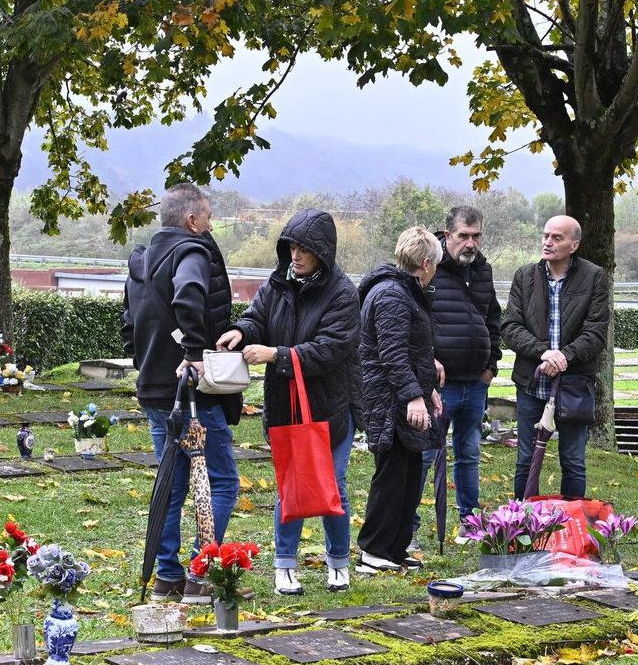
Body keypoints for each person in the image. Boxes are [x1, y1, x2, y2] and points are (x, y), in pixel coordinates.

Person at [217, 210, 360, 596]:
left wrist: (276, 355)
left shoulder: (344, 293)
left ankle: (338, 562)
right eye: (292, 246)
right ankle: (284, 566)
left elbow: (330, 349)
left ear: (322, 253)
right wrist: (238, 331)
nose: (295, 255)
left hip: (329, 408)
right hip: (285, 405)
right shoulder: (277, 283)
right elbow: (256, 318)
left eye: (304, 249)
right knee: (289, 488)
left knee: (336, 486)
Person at [123, 182, 242, 601]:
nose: (210, 224)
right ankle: (199, 573)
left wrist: (143, 357)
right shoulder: (192, 252)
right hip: (193, 389)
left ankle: (167, 577)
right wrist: (193, 351)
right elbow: (189, 297)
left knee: (171, 484)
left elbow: (128, 321)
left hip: (153, 388)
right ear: (192, 220)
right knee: (224, 481)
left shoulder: (140, 260)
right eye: (208, 216)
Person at [502, 215, 610, 500]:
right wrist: (543, 352)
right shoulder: (524, 276)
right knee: (525, 460)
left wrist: (564, 357)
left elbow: (596, 332)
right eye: (545, 236)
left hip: (574, 385)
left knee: (573, 462)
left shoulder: (594, 276)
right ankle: (522, 527)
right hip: (531, 385)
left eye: (556, 238)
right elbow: (510, 328)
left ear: (574, 245)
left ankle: (572, 531)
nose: (548, 242)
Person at [354, 226, 442, 572]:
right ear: (424, 262)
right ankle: (373, 550)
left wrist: (429, 388)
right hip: (388, 400)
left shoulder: (405, 293)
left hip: (403, 395)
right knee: (390, 476)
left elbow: (415, 352)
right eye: (435, 263)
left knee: (407, 474)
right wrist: (413, 398)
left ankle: (395, 548)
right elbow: (392, 354)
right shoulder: (391, 295)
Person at [421, 205, 501, 526]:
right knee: (426, 455)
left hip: (475, 382)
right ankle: (407, 525)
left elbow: (494, 319)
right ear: (447, 235)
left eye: (476, 236)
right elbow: (414, 320)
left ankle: (471, 520)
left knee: (469, 454)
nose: (470, 243)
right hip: (441, 385)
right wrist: (427, 360)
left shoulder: (483, 270)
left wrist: (491, 366)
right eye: (463, 236)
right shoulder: (429, 269)